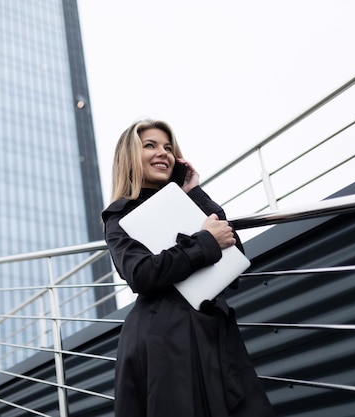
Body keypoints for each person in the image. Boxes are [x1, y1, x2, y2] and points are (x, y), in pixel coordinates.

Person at [102, 119, 275, 417]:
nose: (163, 153)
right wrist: (206, 242)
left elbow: (235, 258)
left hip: (213, 333)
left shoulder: (186, 203)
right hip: (165, 339)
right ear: (130, 155)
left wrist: (194, 192)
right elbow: (141, 273)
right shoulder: (121, 214)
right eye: (150, 145)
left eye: (168, 147)